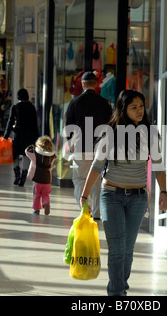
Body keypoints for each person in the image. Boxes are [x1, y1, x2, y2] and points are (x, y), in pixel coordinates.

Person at [79, 89, 167, 296]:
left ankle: (120, 283)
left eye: (141, 106)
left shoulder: (151, 133)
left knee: (128, 249)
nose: (139, 110)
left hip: (138, 198)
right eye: (133, 107)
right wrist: (84, 196)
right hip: (112, 196)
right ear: (123, 109)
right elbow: (96, 166)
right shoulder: (110, 134)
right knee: (118, 248)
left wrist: (164, 191)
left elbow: (158, 165)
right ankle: (117, 293)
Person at [65, 71, 113, 220]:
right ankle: (97, 213)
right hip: (99, 147)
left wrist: (69, 142)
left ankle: (85, 209)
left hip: (80, 147)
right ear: (96, 84)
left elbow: (69, 125)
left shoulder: (75, 102)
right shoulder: (104, 103)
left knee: (80, 179)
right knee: (97, 180)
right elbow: (110, 125)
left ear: (83, 84)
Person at [3, 88, 39, 187]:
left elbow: (10, 122)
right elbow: (35, 123)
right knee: (26, 155)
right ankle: (24, 176)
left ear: (18, 96)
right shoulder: (32, 107)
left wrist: (6, 135)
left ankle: (17, 175)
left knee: (15, 155)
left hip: (17, 135)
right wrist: (37, 137)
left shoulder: (15, 107)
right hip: (29, 135)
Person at [25, 135, 57, 215]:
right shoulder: (52, 156)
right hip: (47, 181)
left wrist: (32, 146)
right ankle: (45, 203)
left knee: (37, 195)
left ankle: (36, 210)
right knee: (46, 194)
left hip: (37, 179)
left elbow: (27, 152)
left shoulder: (35, 155)